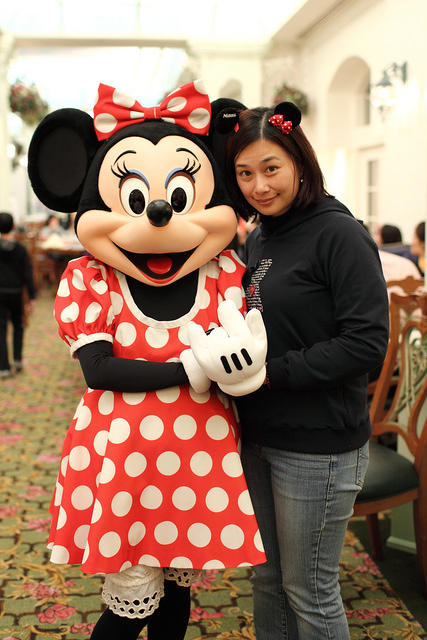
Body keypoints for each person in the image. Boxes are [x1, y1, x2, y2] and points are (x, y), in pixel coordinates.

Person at [27, 82, 266, 640]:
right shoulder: (92, 278)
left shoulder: (223, 273)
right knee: (129, 604)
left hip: (199, 459)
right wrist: (195, 369)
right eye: (136, 199)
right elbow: (100, 370)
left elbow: (246, 345)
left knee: (179, 593)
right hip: (124, 461)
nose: (159, 213)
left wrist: (247, 365)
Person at [215, 100, 390, 639]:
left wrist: (272, 374)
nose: (258, 186)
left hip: (319, 443)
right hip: (261, 433)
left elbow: (367, 343)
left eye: (271, 169)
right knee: (268, 579)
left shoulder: (339, 233)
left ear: (299, 162)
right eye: (245, 173)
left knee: (310, 591)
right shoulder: (263, 233)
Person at [0, 212, 36, 377]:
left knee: (1, 329)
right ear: (13, 227)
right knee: (18, 326)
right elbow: (28, 274)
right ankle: (17, 360)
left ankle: (4, 368)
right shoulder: (20, 249)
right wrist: (32, 296)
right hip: (16, 293)